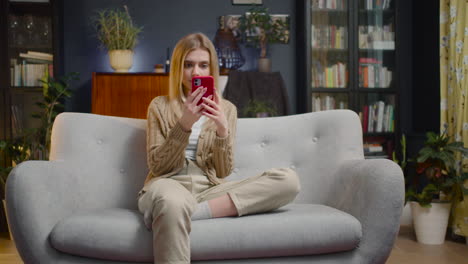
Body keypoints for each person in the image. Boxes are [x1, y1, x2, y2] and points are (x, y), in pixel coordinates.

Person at [137, 32, 300, 264]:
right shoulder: (159, 106)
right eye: (188, 65)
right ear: (177, 69)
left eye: (203, 65)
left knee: (289, 181)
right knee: (172, 201)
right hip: (168, 185)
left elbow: (222, 172)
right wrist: (184, 124)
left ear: (212, 69)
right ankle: (172, 209)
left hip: (209, 191)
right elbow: (158, 166)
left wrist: (223, 130)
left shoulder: (228, 109)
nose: (196, 73)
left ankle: (187, 213)